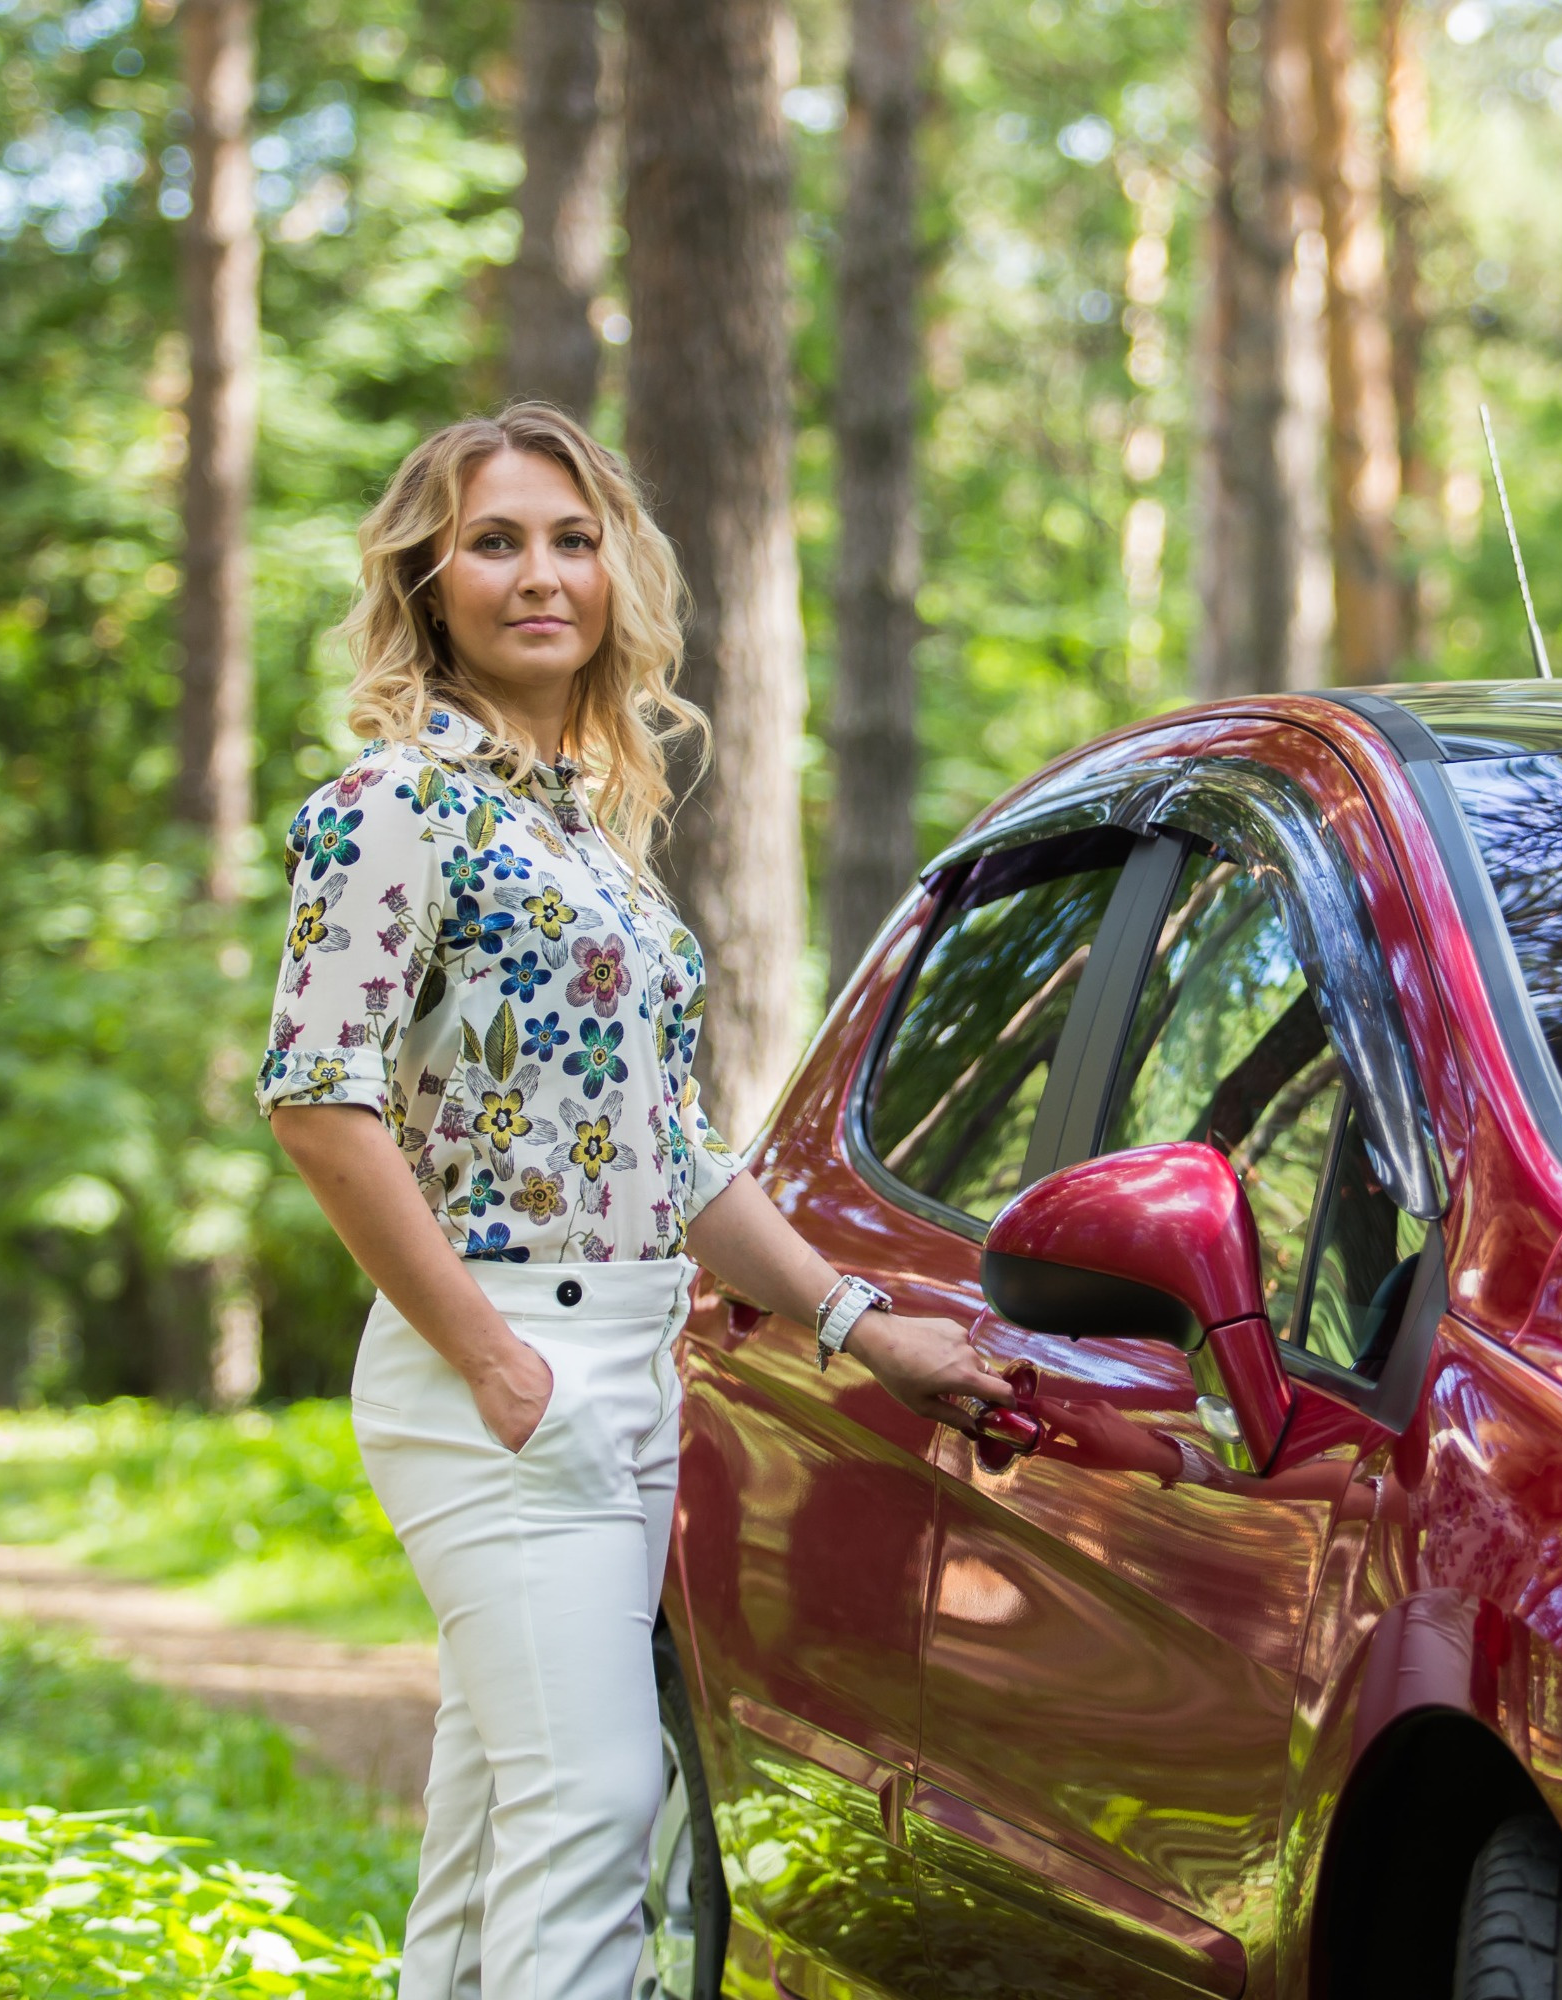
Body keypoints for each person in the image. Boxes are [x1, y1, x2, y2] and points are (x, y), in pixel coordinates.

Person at [260, 403, 1013, 2000]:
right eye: (495, 541)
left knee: (497, 1828)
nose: (542, 574)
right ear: (428, 581)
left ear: (616, 574)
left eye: (573, 539)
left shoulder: (585, 830)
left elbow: (669, 1154)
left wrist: (865, 1326)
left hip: (617, 1362)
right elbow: (318, 1102)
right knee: (596, 1806)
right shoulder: (397, 806)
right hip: (502, 1363)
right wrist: (489, 1361)